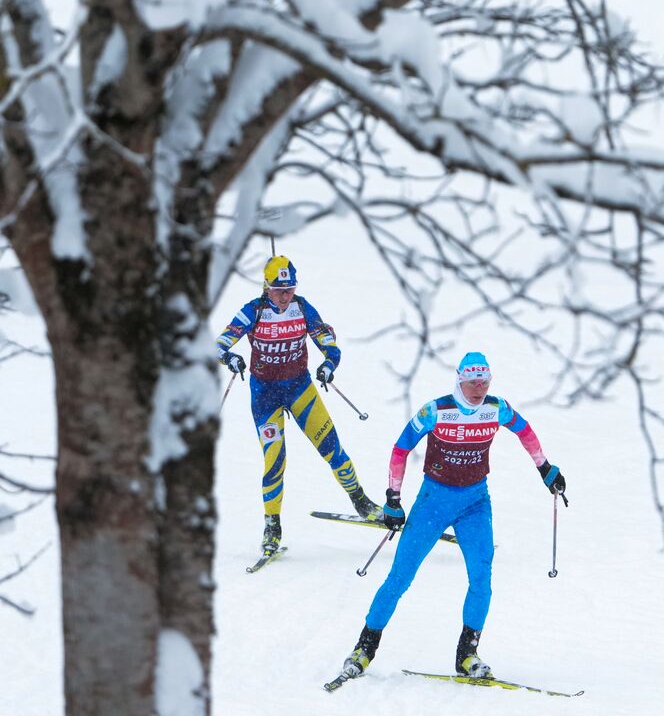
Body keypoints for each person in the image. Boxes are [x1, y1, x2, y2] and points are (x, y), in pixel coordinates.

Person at [338, 351, 567, 682]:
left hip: (475, 502)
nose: (479, 388)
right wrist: (393, 498)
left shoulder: (496, 408)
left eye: (485, 382)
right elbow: (401, 449)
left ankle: (467, 655)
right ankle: (364, 648)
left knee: (481, 578)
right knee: (400, 578)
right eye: (473, 382)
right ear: (460, 380)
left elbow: (524, 431)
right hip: (433, 502)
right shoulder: (437, 410)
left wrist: (545, 468)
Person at [216, 255, 382, 554]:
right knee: (275, 459)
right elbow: (219, 343)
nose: (285, 295)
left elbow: (327, 340)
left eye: (290, 289)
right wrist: (230, 357)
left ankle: (361, 502)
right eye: (279, 289)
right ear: (266, 287)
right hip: (265, 394)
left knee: (332, 447)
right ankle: (272, 526)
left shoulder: (302, 307)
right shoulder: (253, 311)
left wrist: (329, 363)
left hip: (299, 388)